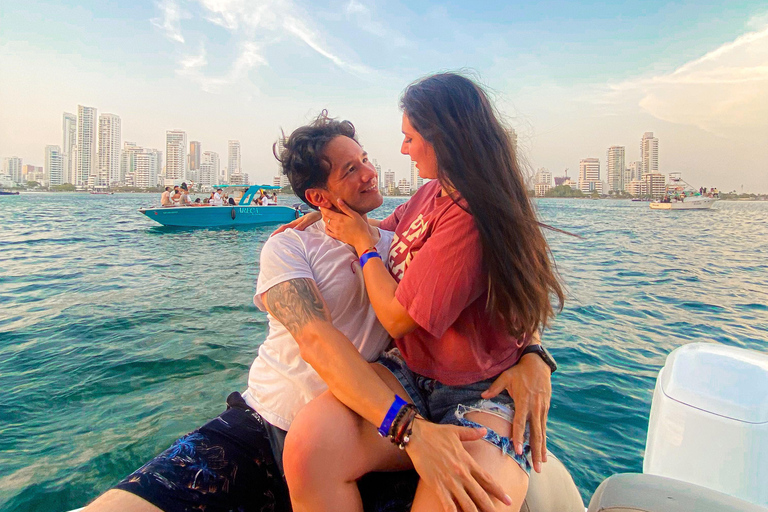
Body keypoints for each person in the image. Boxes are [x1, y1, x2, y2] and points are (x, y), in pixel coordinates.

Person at [283, 74, 561, 512]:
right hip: (410, 373)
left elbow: (396, 317)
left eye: (409, 137)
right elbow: (388, 231)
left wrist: (358, 242)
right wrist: (323, 217)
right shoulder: (433, 193)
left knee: (459, 501)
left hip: (480, 393)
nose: (403, 150)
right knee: (309, 450)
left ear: (444, 138)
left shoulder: (471, 214)